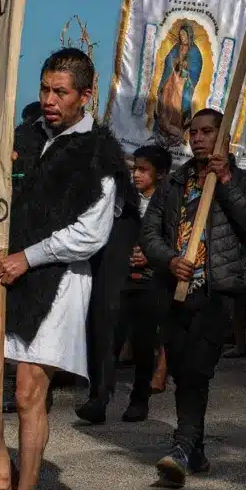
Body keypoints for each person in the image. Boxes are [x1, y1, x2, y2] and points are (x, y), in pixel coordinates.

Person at [0, 49, 133, 490]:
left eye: (61, 92)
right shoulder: (23, 138)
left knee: (30, 394)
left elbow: (91, 234)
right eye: (45, 90)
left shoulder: (100, 154)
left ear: (85, 96)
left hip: (54, 281)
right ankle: (1, 473)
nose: (50, 101)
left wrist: (30, 257)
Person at [141, 108, 246, 487]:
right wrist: (170, 260)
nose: (198, 138)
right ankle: (194, 449)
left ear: (223, 137)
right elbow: (150, 233)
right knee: (181, 368)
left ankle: (180, 447)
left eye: (207, 132)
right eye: (193, 132)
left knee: (197, 367)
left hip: (217, 292)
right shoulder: (174, 183)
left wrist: (224, 180)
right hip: (175, 290)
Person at [107, 144, 172, 423]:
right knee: (112, 339)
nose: (137, 175)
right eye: (135, 168)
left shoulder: (168, 202)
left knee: (145, 344)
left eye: (144, 170)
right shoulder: (126, 200)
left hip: (151, 281)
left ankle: (139, 400)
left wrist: (152, 255)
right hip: (123, 277)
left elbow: (171, 238)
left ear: (160, 174)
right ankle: (99, 397)